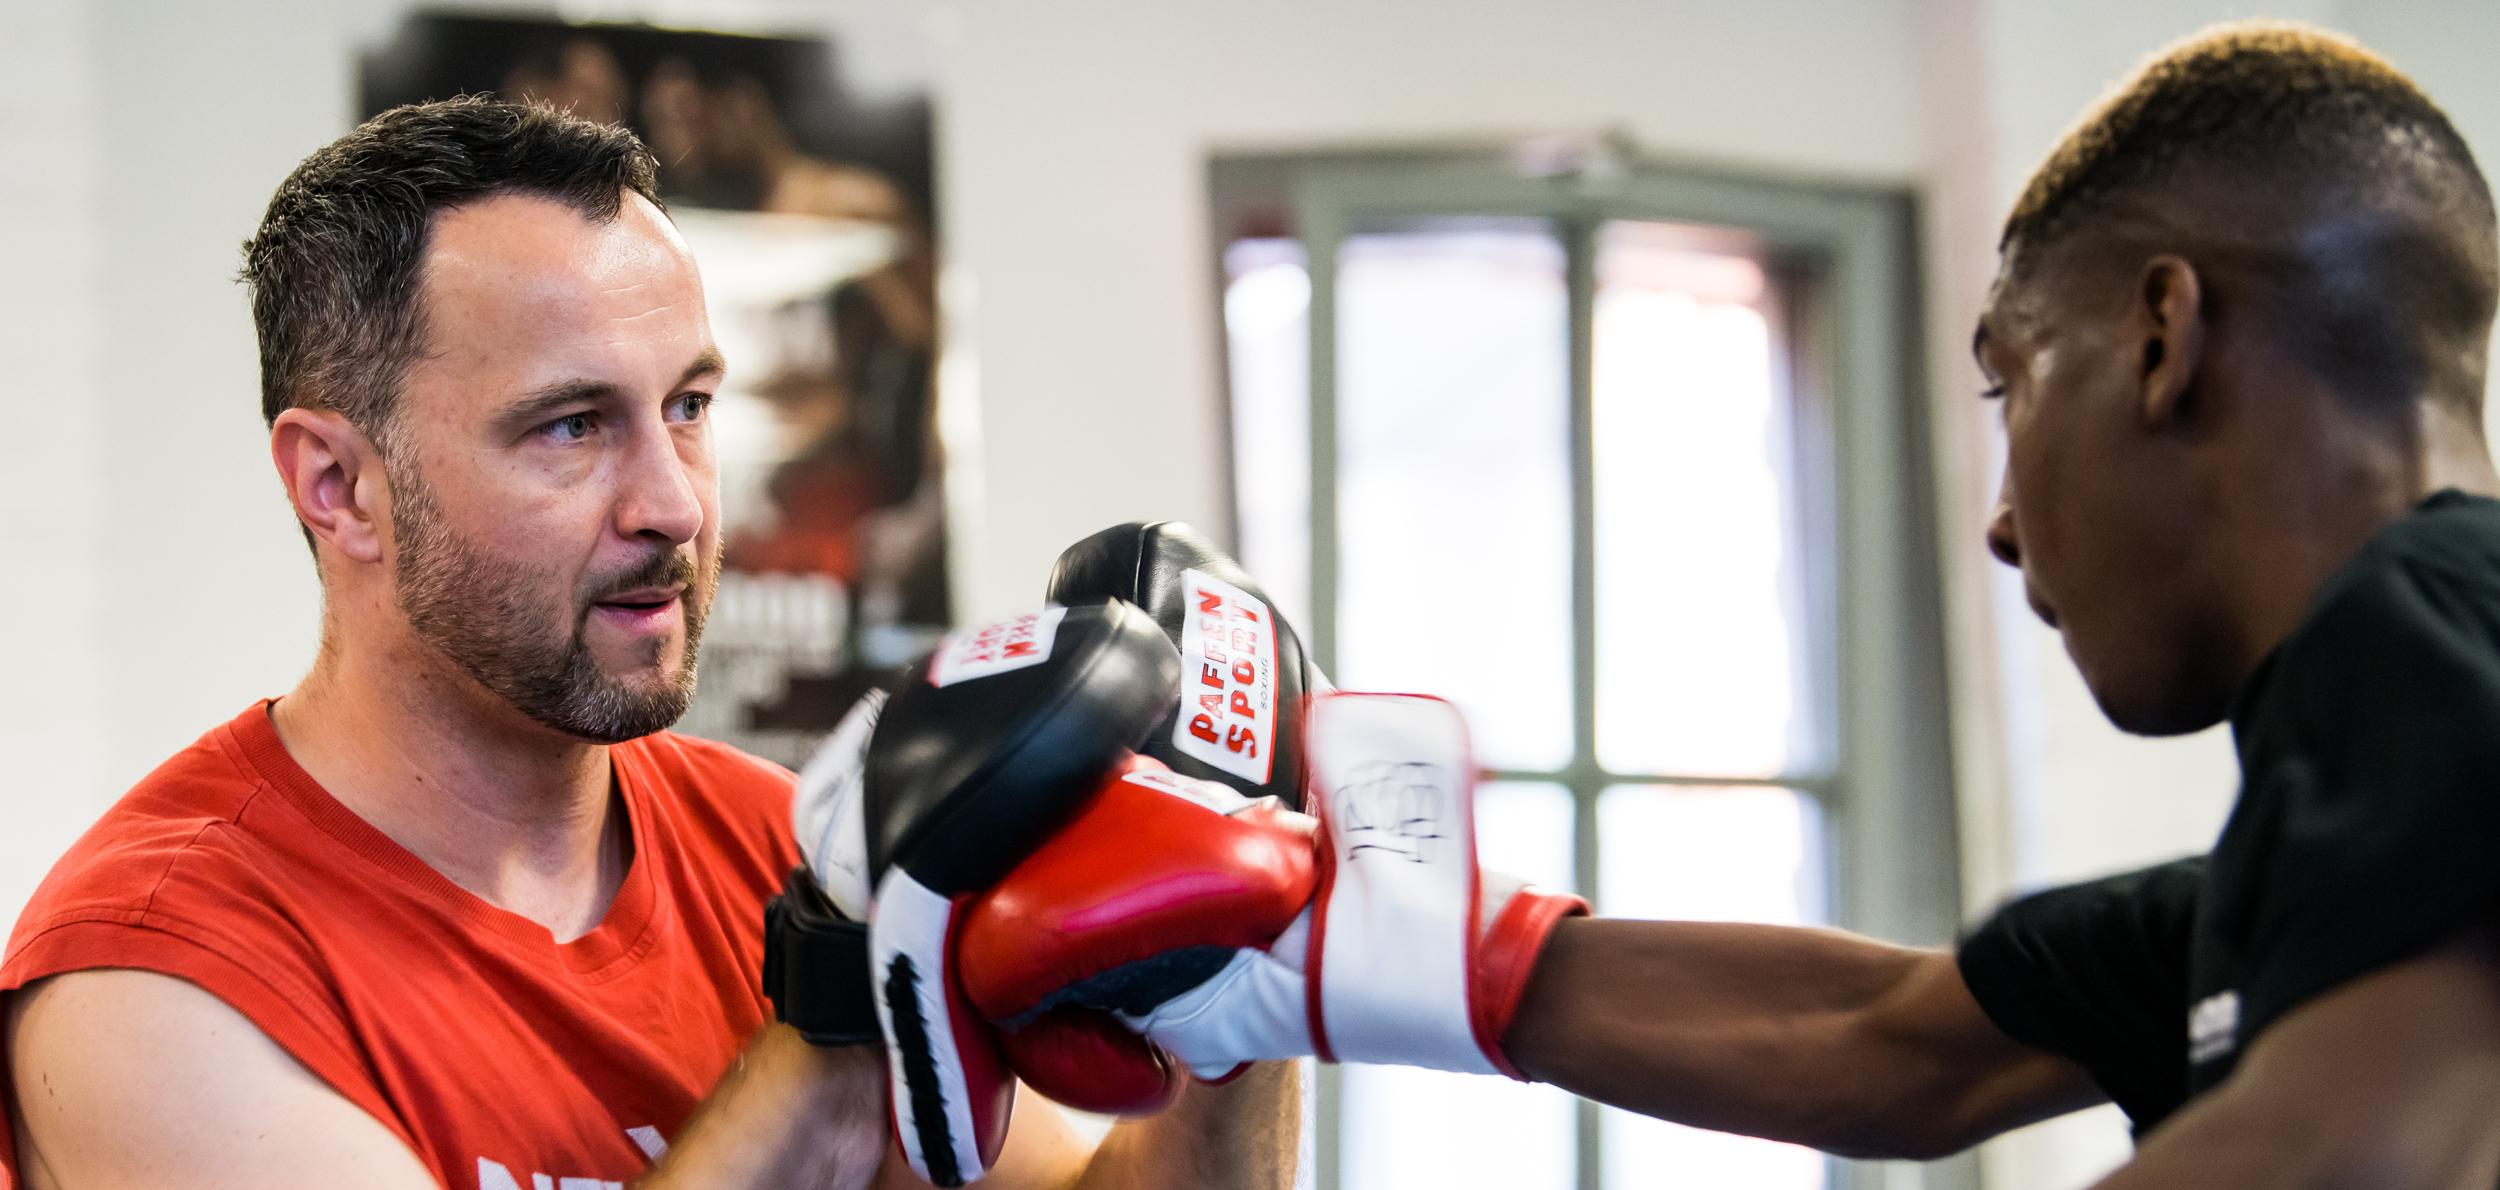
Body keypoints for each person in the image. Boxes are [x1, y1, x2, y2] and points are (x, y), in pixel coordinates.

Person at [956, 21, 2500, 1187]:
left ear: (2164, 339)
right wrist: (1332, 942)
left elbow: (2356, 1146)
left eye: (2012, 382)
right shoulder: (2333, 853)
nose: (2007, 519)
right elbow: (1892, 1045)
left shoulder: (2424, 616)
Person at [0, 98, 1296, 1190]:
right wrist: (829, 1013)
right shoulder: (153, 986)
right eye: (570, 425)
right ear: (338, 485)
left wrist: (1245, 993)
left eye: (687, 405)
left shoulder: (774, 844)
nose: (673, 500)